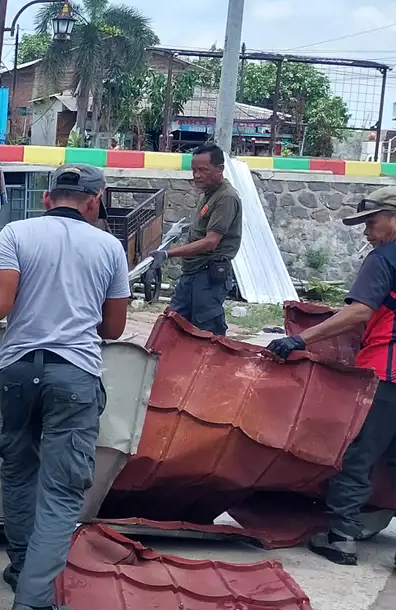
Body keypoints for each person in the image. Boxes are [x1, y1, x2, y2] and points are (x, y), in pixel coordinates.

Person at [0, 164, 130, 610]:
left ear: (48, 199)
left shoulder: (16, 234)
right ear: (94, 201)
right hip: (74, 377)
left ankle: (20, 566)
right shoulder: (109, 247)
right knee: (63, 489)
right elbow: (113, 328)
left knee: (20, 471)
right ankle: (33, 602)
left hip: (19, 372)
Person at [266, 186, 396, 566]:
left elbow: (358, 313)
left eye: (372, 222)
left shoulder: (384, 259)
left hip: (386, 374)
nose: (366, 232)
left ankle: (341, 538)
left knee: (357, 456)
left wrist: (300, 339)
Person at [151, 142, 242, 336]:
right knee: (174, 324)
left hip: (208, 275)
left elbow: (211, 242)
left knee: (206, 332)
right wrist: (184, 230)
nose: (197, 175)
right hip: (192, 272)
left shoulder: (225, 197)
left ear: (220, 169)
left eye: (203, 170)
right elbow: (204, 229)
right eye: (194, 170)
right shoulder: (209, 193)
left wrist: (168, 254)